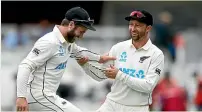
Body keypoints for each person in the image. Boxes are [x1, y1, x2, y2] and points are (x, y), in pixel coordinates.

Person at [16, 7, 116, 112]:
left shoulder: (67, 43)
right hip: (38, 97)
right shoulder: (50, 42)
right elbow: (25, 66)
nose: (81, 36)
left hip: (45, 97)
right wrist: (21, 97)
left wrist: (100, 58)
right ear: (71, 25)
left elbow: (80, 52)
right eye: (81, 32)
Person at [78, 9, 164, 112]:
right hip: (112, 105)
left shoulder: (156, 54)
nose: (133, 28)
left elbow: (148, 86)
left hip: (137, 108)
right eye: (131, 24)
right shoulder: (118, 48)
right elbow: (100, 75)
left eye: (138, 25)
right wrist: (85, 66)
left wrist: (119, 75)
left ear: (148, 28)